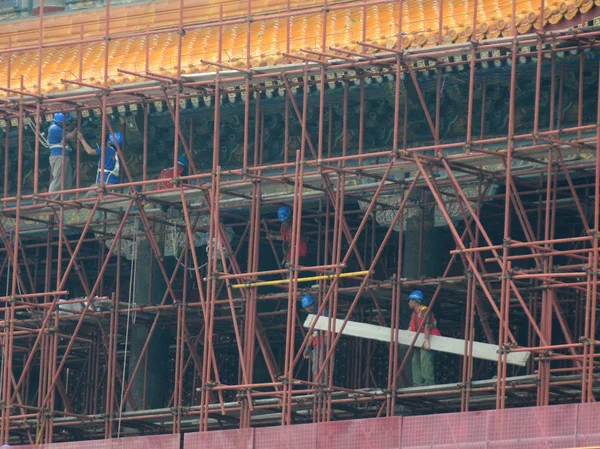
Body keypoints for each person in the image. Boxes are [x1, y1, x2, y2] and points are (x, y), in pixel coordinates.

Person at [407, 289, 441, 387]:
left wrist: (426, 341)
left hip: (429, 338)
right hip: (418, 340)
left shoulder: (425, 311)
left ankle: (429, 381)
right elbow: (411, 327)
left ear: (415, 301)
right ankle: (417, 382)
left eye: (410, 300)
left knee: (425, 358)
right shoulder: (414, 313)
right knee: (415, 359)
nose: (409, 303)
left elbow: (427, 326)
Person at [77, 131, 122, 197]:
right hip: (114, 182)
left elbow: (90, 151)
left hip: (105, 182)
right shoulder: (116, 153)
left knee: (87, 198)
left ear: (109, 142)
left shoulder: (106, 149)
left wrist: (82, 139)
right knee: (92, 187)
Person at [47, 112, 76, 196]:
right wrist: (76, 128)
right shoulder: (55, 128)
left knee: (67, 180)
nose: (67, 123)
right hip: (58, 156)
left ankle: (64, 199)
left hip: (63, 155)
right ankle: (52, 199)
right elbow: (70, 136)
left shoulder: (58, 127)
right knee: (58, 179)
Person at [301, 294, 328, 383]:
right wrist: (307, 347)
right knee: (315, 369)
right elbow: (312, 334)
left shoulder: (323, 313)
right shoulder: (310, 317)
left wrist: (326, 338)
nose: (310, 308)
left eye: (310, 305)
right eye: (307, 307)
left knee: (322, 367)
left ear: (314, 303)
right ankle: (318, 387)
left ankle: (323, 387)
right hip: (317, 345)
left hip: (325, 344)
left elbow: (330, 327)